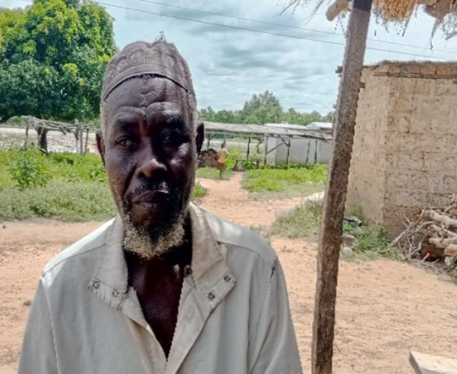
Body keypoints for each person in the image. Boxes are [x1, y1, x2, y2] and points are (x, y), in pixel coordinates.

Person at [18, 39, 302, 374]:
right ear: (102, 150)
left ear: (196, 144)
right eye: (126, 141)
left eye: (170, 139)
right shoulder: (60, 288)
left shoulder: (254, 270)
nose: (150, 164)